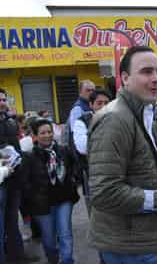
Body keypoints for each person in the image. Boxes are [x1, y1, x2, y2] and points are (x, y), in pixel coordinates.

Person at [87, 46, 157, 264]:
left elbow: (142, 174)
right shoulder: (115, 120)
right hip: (129, 248)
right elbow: (105, 192)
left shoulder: (142, 114)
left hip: (141, 242)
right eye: (147, 72)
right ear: (125, 78)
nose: (156, 78)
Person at [21, 118, 79, 264]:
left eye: (49, 132)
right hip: (42, 205)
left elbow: (75, 167)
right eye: (42, 133)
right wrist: (32, 199)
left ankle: (67, 260)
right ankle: (53, 260)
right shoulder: (29, 157)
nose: (47, 135)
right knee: (48, 239)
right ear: (34, 136)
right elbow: (25, 183)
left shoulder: (63, 150)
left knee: (65, 234)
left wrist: (72, 180)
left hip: (64, 200)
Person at [0, 89, 39, 264]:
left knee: (12, 219)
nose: (2, 102)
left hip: (14, 178)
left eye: (3, 99)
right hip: (1, 180)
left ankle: (17, 256)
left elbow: (16, 147)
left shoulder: (9, 121)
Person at [72, 89, 111, 214]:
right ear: (91, 105)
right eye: (99, 103)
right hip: (92, 175)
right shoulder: (81, 121)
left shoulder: (117, 119)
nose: (103, 106)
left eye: (106, 103)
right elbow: (83, 147)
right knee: (96, 214)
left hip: (117, 174)